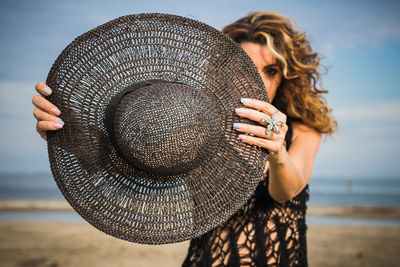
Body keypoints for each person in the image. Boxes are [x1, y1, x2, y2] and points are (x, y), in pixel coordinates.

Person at [32, 11, 337, 267]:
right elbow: (125, 163)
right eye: (244, 68)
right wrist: (63, 129)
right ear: (223, 71)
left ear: (285, 76)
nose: (256, 80)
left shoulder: (302, 129)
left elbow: (285, 191)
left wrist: (278, 153)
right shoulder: (198, 127)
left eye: (270, 70)